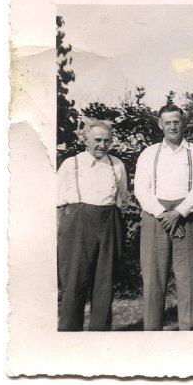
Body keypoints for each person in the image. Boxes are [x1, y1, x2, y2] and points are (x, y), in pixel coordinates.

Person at [134, 104, 193, 331]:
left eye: (176, 121)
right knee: (153, 279)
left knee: (187, 280)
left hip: (188, 216)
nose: (173, 126)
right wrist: (163, 214)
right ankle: (152, 333)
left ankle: (188, 332)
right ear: (160, 125)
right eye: (168, 122)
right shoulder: (149, 153)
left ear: (183, 122)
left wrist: (179, 212)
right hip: (155, 217)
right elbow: (141, 189)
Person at [56, 119, 128, 331]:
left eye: (107, 141)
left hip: (109, 222)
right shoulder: (72, 164)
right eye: (97, 140)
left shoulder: (117, 165)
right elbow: (58, 201)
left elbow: (122, 200)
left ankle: (99, 336)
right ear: (85, 140)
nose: (102, 145)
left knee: (105, 282)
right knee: (74, 282)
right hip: (78, 224)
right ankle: (69, 335)